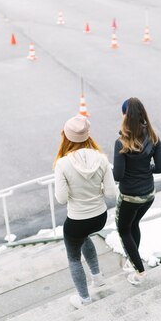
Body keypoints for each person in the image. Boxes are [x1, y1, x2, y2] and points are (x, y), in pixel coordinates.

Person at [54, 115, 117, 308]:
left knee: (73, 257)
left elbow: (62, 199)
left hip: (77, 220)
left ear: (66, 136)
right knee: (85, 237)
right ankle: (97, 278)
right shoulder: (102, 159)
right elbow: (110, 193)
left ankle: (84, 298)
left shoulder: (63, 164)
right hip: (99, 217)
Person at [113, 97, 161, 285]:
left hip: (129, 197)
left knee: (123, 229)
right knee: (134, 224)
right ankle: (132, 259)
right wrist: (146, 169)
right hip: (148, 195)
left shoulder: (122, 143)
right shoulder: (154, 137)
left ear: (125, 116)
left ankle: (139, 271)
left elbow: (118, 176)